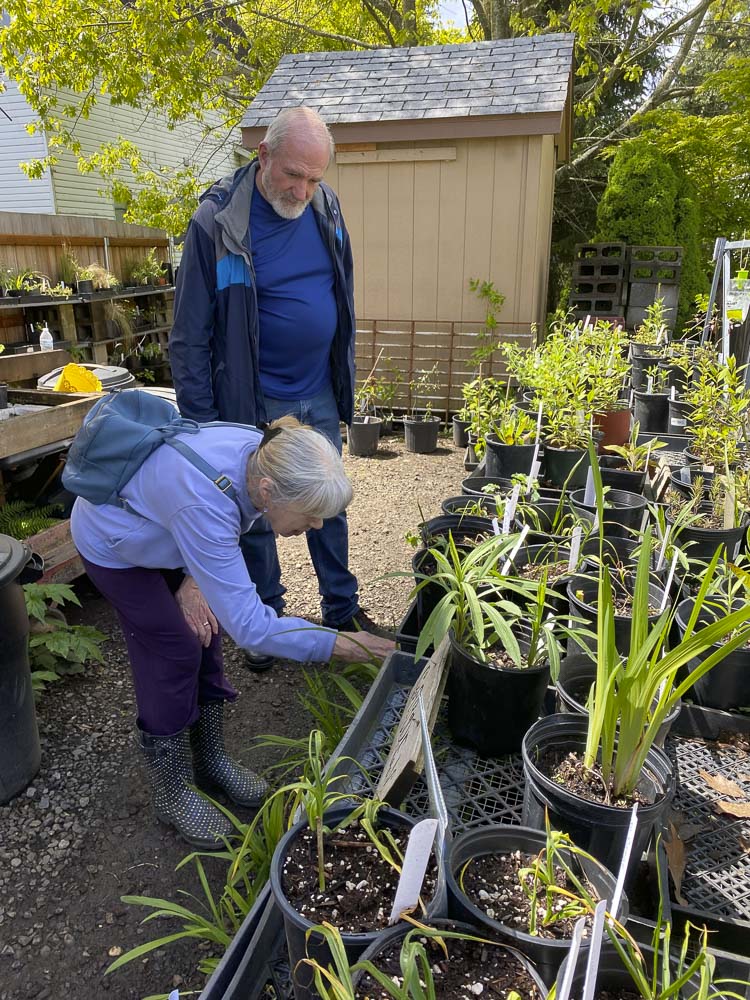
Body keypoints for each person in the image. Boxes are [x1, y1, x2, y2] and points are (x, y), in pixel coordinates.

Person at [70, 416, 394, 849]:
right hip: (116, 545)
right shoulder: (208, 499)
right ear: (267, 493)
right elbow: (254, 630)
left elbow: (203, 525)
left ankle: (210, 760)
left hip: (168, 529)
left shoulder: (262, 453)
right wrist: (342, 645)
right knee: (174, 649)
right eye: (312, 514)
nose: (317, 526)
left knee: (207, 632)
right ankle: (172, 792)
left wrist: (193, 577)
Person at [169, 105, 390, 674]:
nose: (303, 189)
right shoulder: (217, 222)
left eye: (315, 177)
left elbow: (339, 292)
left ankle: (341, 610)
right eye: (293, 174)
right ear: (262, 155)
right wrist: (202, 426)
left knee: (327, 502)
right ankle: (265, 620)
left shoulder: (326, 205)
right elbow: (190, 338)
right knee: (259, 511)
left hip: (316, 388)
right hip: (253, 400)